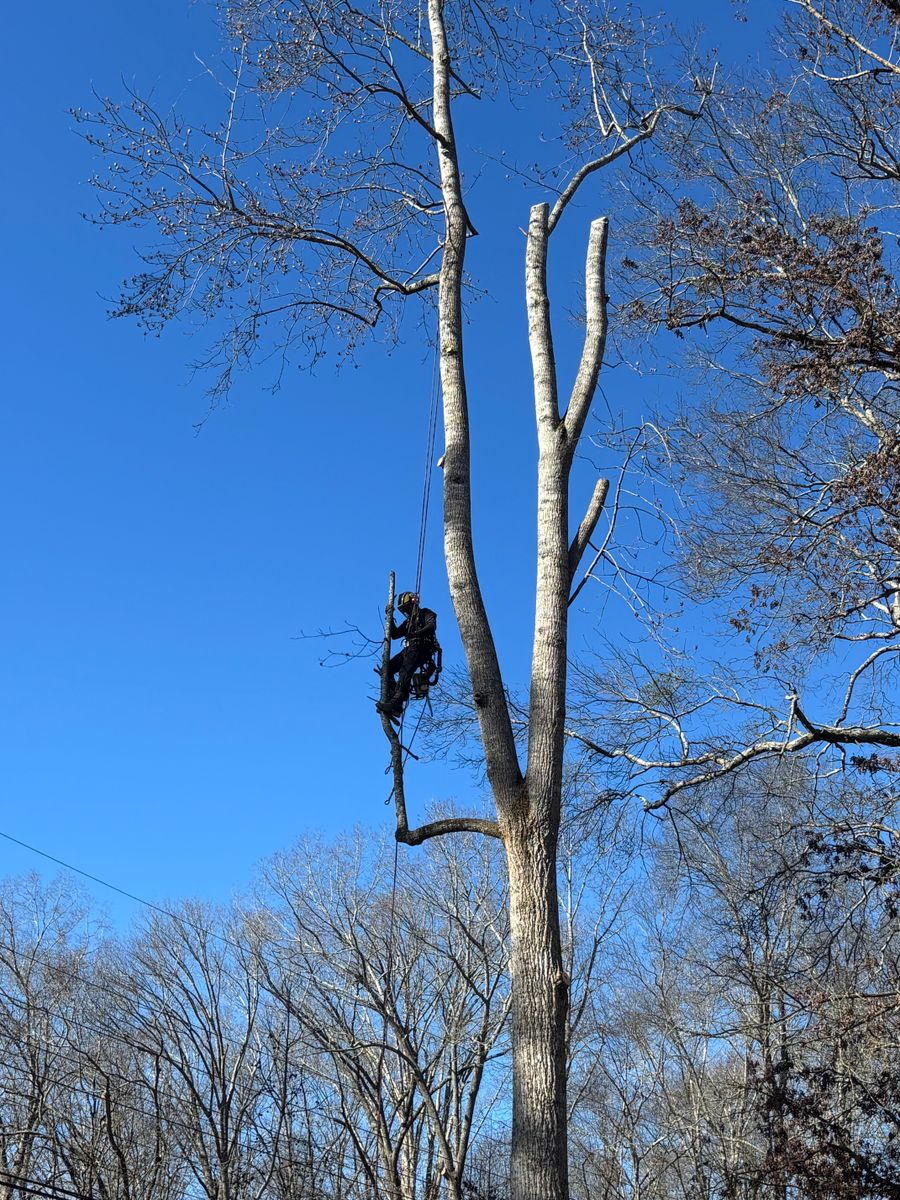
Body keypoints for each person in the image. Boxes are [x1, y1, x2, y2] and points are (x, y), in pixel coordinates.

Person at [378, 591, 439, 718]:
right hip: (410, 649)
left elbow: (431, 626)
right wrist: (390, 615)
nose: (407, 611)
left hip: (423, 647)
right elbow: (394, 634)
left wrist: (416, 634)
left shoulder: (425, 613)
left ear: (414, 603)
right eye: (404, 609)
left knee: (405, 671)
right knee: (387, 668)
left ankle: (397, 701)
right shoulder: (408, 622)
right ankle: (393, 699)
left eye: (407, 607)